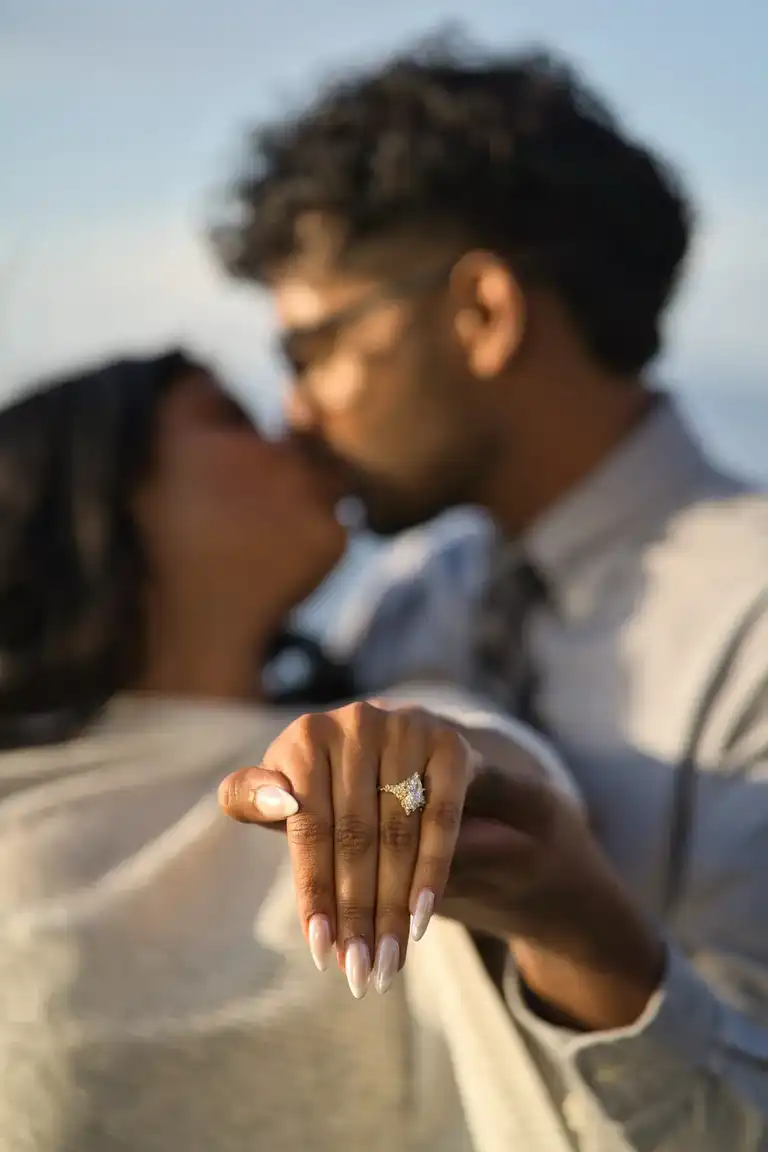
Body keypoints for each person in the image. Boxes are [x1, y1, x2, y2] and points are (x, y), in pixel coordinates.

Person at [214, 35, 768, 1150]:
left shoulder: (755, 615)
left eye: (315, 346)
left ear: (482, 313)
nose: (298, 417)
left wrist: (576, 930)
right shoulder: (413, 596)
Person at [0, 348, 585, 1152]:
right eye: (231, 418)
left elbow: (508, 788)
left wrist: (437, 771)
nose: (299, 434)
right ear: (98, 487)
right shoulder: (22, 797)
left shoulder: (377, 740)